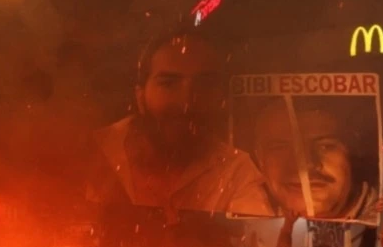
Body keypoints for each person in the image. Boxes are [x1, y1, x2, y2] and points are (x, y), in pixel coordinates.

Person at [97, 31, 272, 215]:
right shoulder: (95, 151)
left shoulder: (236, 172)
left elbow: (257, 236)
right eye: (168, 84)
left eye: (204, 85)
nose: (186, 102)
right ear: (140, 95)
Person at [251, 99, 379, 223]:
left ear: (351, 154)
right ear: (260, 158)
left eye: (325, 146)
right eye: (280, 148)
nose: (305, 166)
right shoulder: (247, 210)